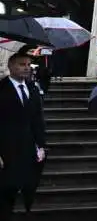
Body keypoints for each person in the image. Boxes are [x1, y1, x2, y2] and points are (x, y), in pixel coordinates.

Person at [0, 52, 47, 220]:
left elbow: (38, 119)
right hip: (7, 149)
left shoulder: (33, 88)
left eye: (28, 65)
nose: (26, 68)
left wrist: (41, 145)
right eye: (21, 64)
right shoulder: (2, 88)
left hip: (29, 148)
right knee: (6, 191)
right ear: (11, 67)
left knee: (29, 187)